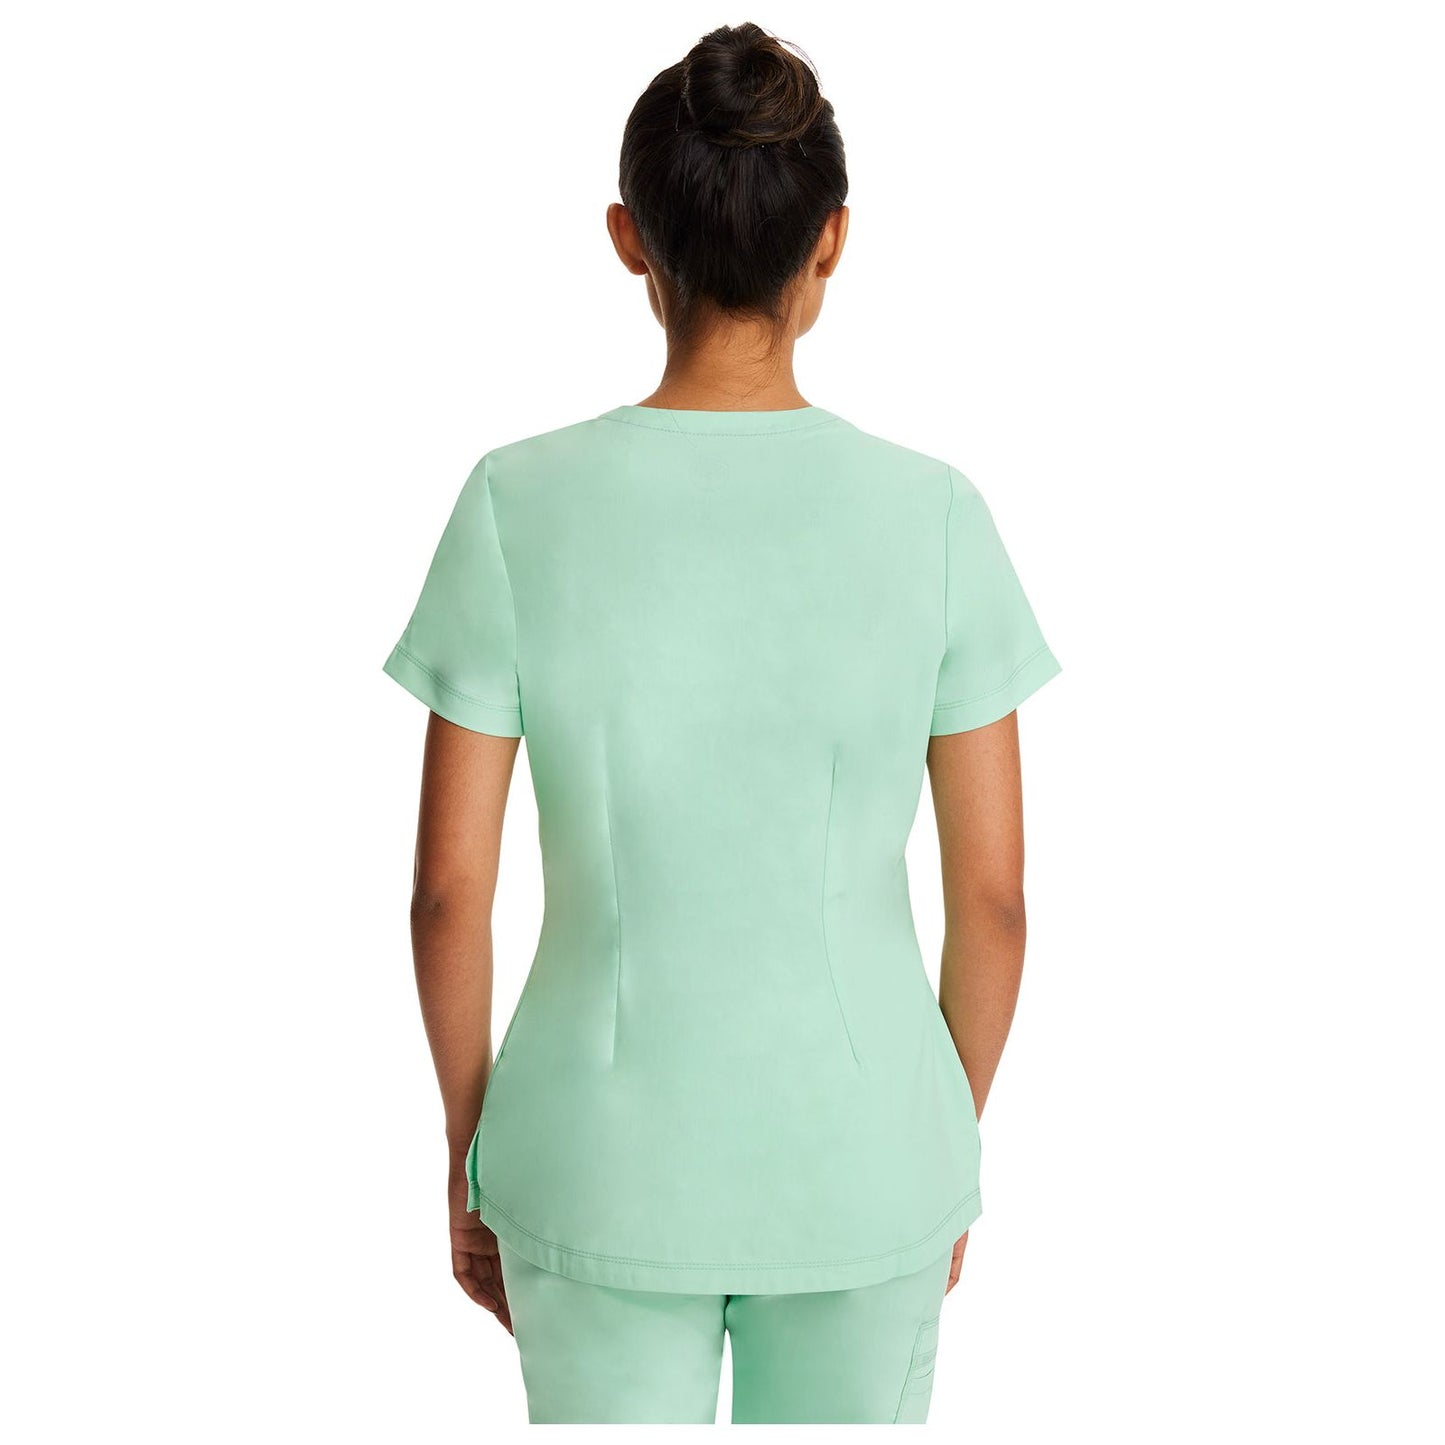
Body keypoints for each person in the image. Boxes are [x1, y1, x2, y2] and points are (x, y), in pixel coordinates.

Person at [382, 20, 1061, 1426]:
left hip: (590, 1159)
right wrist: (930, 1145)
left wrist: (468, 1147)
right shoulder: (936, 515)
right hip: (864, 1159)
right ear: (832, 243)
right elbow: (993, 902)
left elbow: (448, 891)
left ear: (630, 239)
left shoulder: (513, 502)